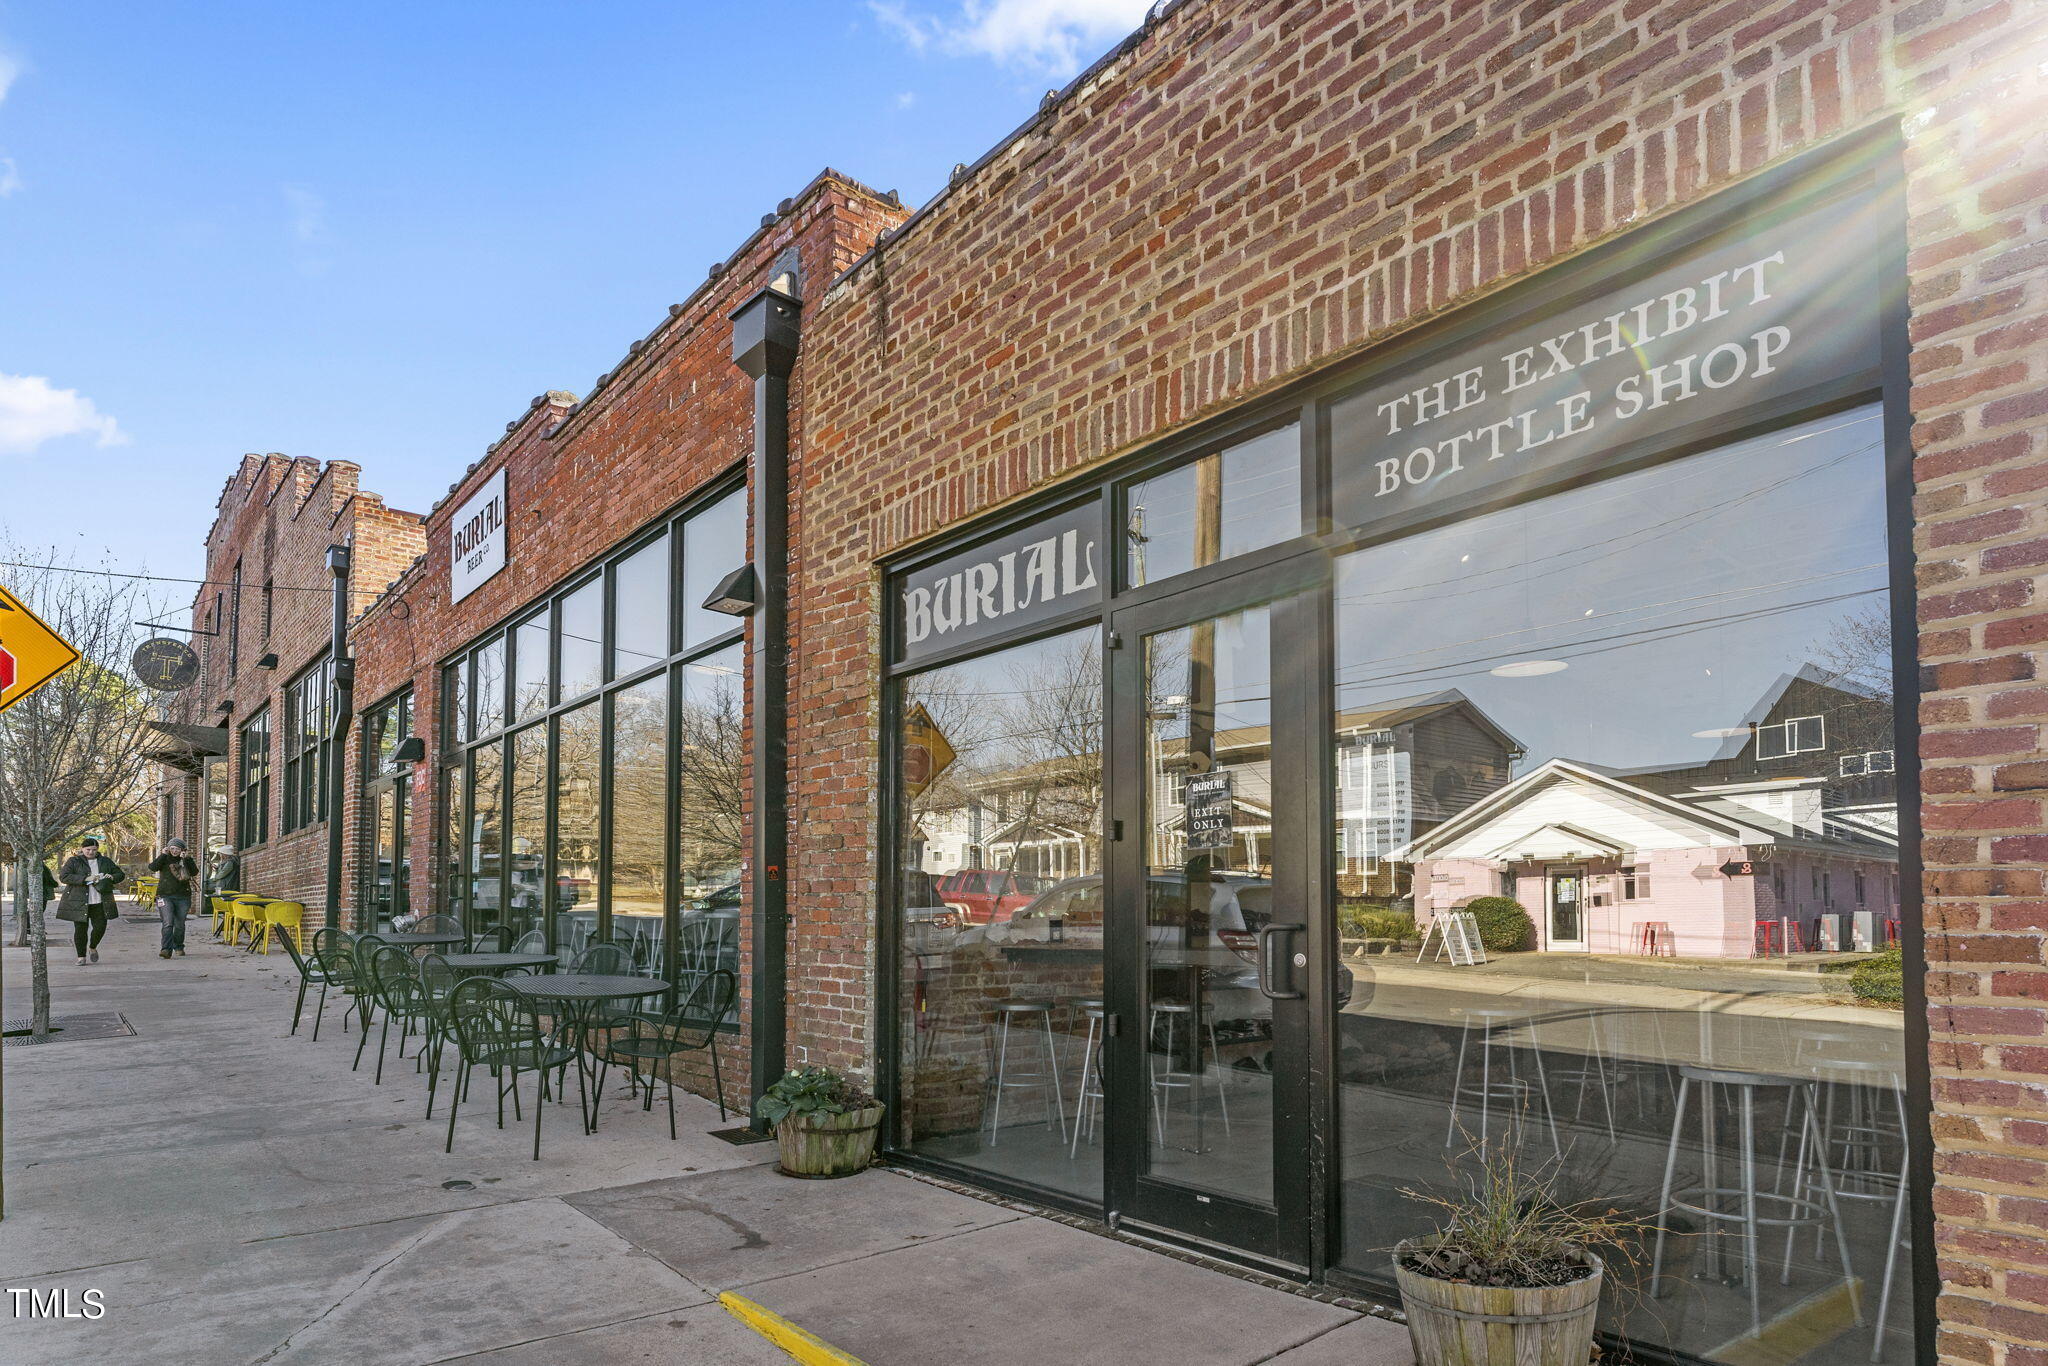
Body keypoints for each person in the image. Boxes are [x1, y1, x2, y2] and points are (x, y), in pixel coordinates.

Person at [56, 836, 125, 966]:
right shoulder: (74, 861)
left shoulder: (105, 861)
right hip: (79, 901)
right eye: (88, 849)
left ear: (97, 849)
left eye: (94, 849)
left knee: (100, 927)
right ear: (82, 849)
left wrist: (112, 877)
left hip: (100, 901)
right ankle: (81, 957)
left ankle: (92, 947)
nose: (91, 852)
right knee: (80, 930)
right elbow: (64, 877)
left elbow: (120, 874)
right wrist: (86, 879)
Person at [147, 838, 199, 959]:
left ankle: (179, 946)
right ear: (168, 848)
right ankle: (166, 949)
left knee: (180, 924)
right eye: (172, 848)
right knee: (168, 923)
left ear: (182, 850)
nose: (174, 851)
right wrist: (162, 855)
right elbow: (153, 867)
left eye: (177, 849)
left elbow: (194, 872)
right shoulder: (164, 858)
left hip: (183, 896)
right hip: (164, 895)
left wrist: (186, 859)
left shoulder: (185, 859)